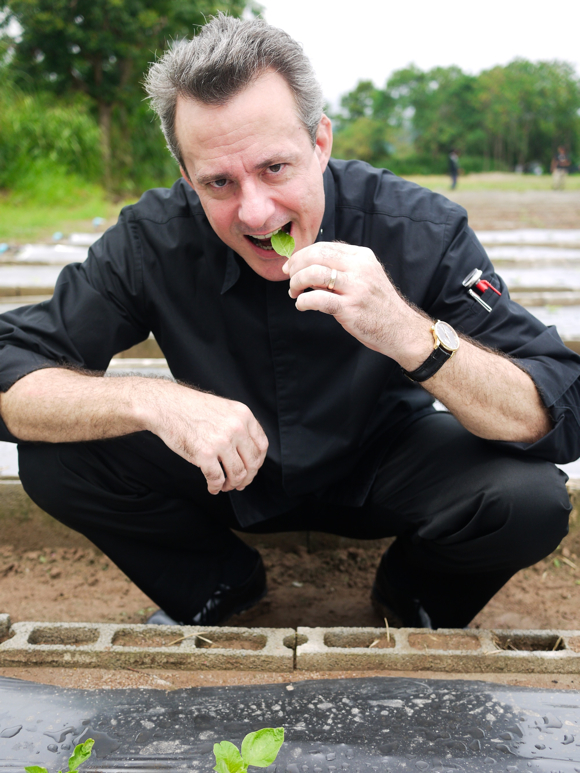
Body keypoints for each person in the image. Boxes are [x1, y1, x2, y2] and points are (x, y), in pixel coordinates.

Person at [0, 15, 578, 630]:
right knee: (55, 456)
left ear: (320, 142)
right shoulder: (150, 239)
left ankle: (414, 595)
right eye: (218, 182)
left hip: (384, 461)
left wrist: (411, 335)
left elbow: (559, 408)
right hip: (225, 472)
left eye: (275, 167)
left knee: (529, 500)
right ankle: (217, 586)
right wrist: (153, 400)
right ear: (186, 177)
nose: (254, 211)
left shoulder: (421, 228)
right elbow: (13, 371)